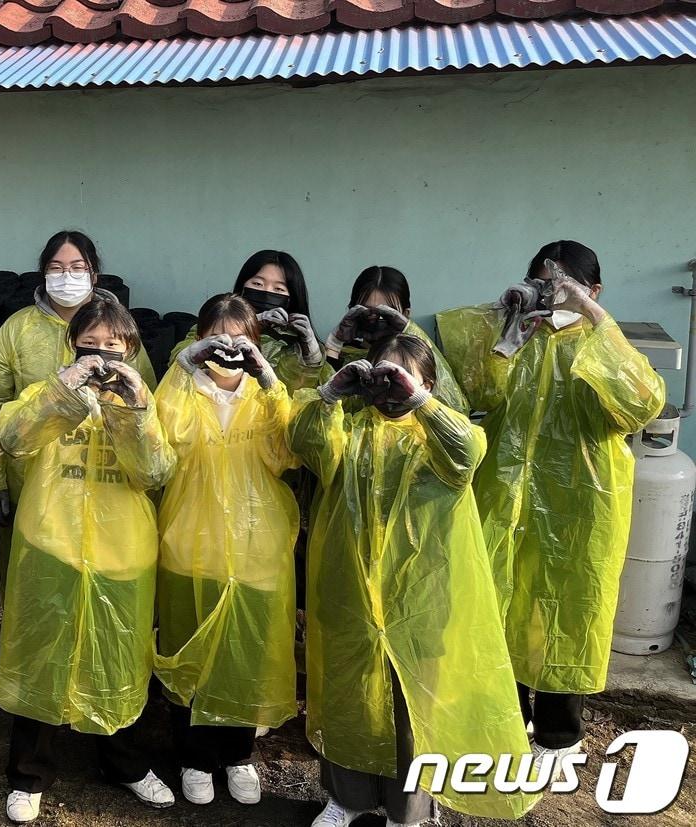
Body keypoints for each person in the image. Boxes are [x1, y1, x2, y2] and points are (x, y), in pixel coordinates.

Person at [290, 335, 538, 826]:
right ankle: (346, 799)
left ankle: (411, 810)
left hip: (422, 599)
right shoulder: (350, 431)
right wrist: (329, 395)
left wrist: (421, 404)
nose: (391, 387)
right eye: (383, 374)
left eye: (405, 377)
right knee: (347, 700)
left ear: (429, 384)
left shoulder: (445, 439)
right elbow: (303, 441)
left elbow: (468, 452)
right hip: (350, 594)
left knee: (412, 710)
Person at [456, 242, 664, 760]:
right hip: (506, 502)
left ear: (594, 290)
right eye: (543, 280)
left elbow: (642, 403)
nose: (553, 290)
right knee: (503, 606)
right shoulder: (520, 339)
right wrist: (507, 331)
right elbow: (474, 396)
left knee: (564, 616)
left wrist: (592, 316)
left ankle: (558, 736)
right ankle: (512, 718)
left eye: (566, 282)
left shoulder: (602, 343)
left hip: (578, 507)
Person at [0, 298, 175, 823]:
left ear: (132, 351)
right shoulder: (47, 393)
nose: (100, 357)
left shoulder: (145, 400)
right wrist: (62, 390)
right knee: (42, 657)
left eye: (112, 347)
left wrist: (133, 410)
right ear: (71, 348)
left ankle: (125, 764)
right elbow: (12, 437)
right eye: (87, 346)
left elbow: (155, 471)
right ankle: (29, 774)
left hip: (122, 556)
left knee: (118, 658)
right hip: (51, 545)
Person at [152, 294, 299, 807]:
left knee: (245, 657)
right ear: (199, 341)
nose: (229, 351)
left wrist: (272, 382)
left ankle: (237, 755)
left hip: (257, 548)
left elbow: (289, 451)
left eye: (241, 340)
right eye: (216, 338)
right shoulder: (182, 392)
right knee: (192, 652)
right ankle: (194, 757)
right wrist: (181, 369)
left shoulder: (267, 397)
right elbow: (161, 439)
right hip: (191, 542)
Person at [0, 230, 156, 598]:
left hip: (106, 484)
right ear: (43, 275)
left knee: (100, 589)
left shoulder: (119, 332)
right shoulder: (17, 330)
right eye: (56, 268)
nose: (67, 276)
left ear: (94, 275)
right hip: (32, 483)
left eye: (77, 267)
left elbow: (145, 407)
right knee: (34, 587)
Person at [171, 250, 327, 392]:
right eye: (257, 284)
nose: (266, 292)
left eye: (278, 289)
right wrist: (247, 324)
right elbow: (176, 365)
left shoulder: (295, 342)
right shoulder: (217, 319)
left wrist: (311, 355)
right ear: (243, 286)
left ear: (291, 297)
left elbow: (294, 394)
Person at [322, 266, 469, 413]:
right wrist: (334, 347)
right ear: (352, 311)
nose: (375, 319)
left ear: (405, 314)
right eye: (366, 311)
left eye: (386, 312)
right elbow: (321, 416)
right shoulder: (340, 357)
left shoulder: (416, 358)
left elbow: (455, 408)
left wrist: (409, 330)